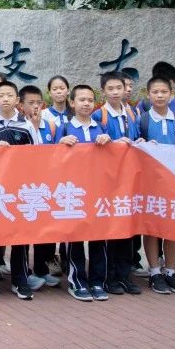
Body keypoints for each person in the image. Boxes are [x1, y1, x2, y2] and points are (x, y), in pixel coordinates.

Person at [0, 79, 43, 300]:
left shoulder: (26, 125)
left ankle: (20, 280)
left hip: (20, 189)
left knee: (20, 236)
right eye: (1, 95)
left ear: (17, 100)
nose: (5, 99)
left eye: (10, 95)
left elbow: (37, 155)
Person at [56, 84, 113, 301]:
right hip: (73, 192)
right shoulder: (64, 128)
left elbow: (113, 156)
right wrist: (60, 143)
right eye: (82, 100)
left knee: (99, 237)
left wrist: (109, 141)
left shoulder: (101, 128)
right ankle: (77, 281)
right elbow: (51, 157)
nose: (86, 104)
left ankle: (97, 281)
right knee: (75, 237)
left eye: (90, 100)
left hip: (98, 191)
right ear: (72, 103)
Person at [135, 76, 175, 295]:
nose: (159, 96)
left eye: (164, 92)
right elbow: (134, 147)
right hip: (150, 183)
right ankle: (155, 271)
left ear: (172, 94)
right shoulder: (142, 120)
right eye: (155, 92)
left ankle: (170, 270)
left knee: (173, 226)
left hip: (174, 181)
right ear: (148, 95)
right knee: (152, 227)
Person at [93, 72, 141, 296]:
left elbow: (137, 138)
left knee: (127, 229)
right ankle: (109, 276)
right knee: (110, 229)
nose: (115, 92)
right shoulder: (99, 115)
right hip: (107, 181)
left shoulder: (132, 112)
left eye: (118, 88)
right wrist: (112, 143)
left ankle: (124, 275)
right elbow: (95, 145)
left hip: (128, 180)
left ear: (125, 89)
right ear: (103, 91)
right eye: (110, 89)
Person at [20, 85, 60, 288]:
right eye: (31, 103)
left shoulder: (51, 126)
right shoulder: (19, 125)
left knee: (45, 230)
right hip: (24, 187)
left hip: (46, 185)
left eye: (38, 103)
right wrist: (33, 128)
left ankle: (42, 269)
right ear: (21, 105)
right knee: (25, 231)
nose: (35, 107)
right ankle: (24, 272)